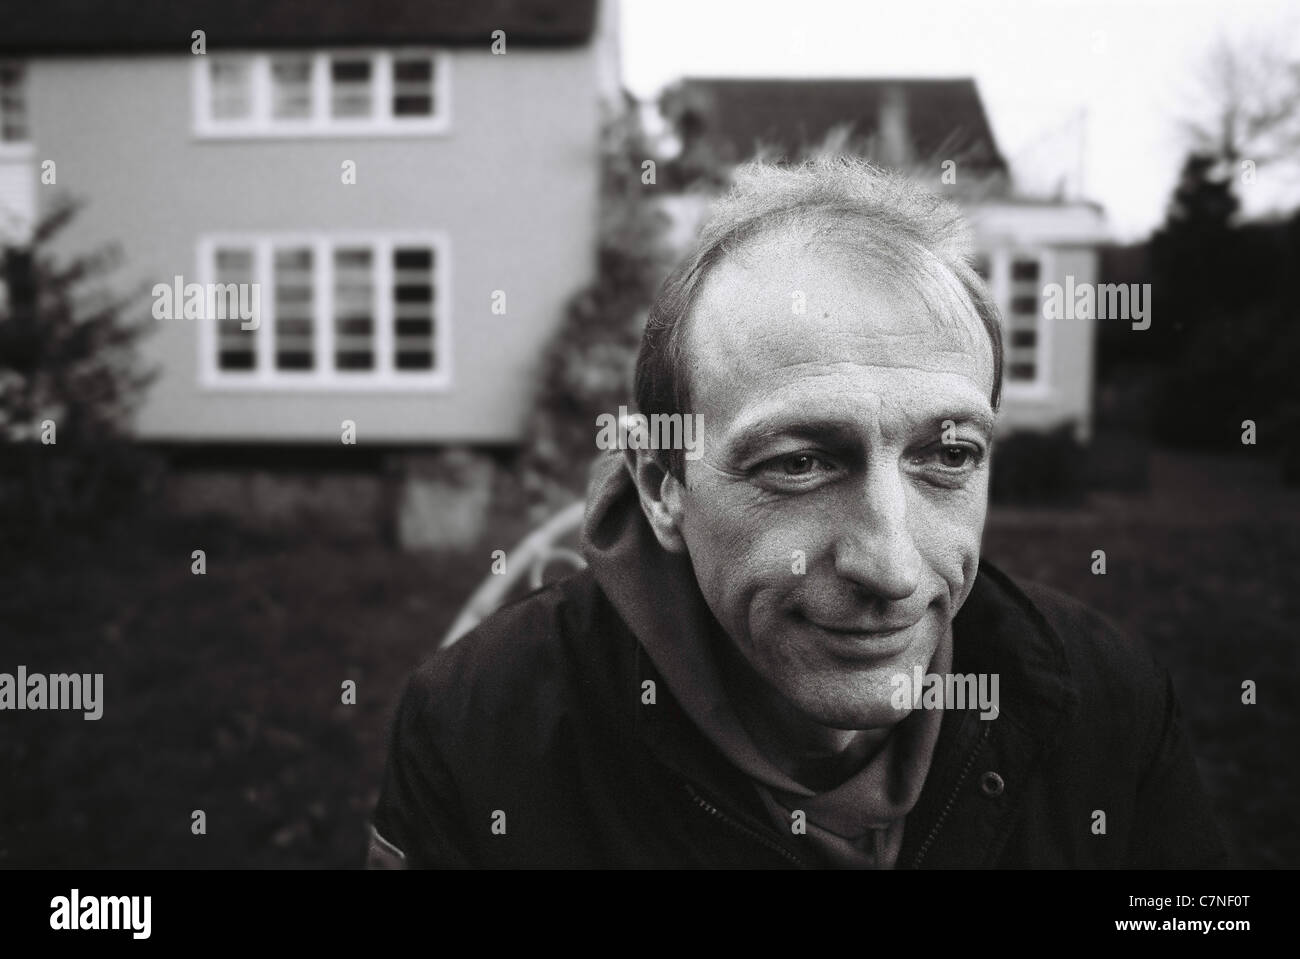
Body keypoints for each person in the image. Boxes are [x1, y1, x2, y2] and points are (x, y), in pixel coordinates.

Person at [367, 157, 1226, 868]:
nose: (892, 568)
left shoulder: (1106, 702)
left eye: (949, 454)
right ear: (664, 481)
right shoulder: (479, 735)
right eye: (802, 462)